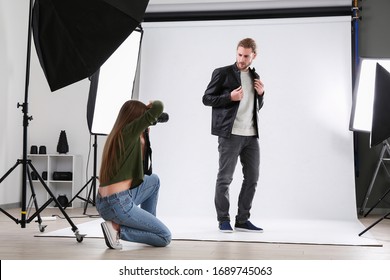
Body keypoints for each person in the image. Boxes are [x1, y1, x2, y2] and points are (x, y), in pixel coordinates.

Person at [202, 38, 265, 233]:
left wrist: (261, 94)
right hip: (230, 134)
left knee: (252, 178)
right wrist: (229, 97)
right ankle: (223, 219)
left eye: (246, 56)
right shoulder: (222, 73)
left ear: (254, 56)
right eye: (239, 54)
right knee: (225, 178)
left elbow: (255, 107)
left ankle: (242, 220)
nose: (241, 59)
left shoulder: (255, 77)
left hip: (251, 135)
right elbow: (207, 98)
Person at [96, 100, 171, 249]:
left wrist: (144, 140)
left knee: (154, 180)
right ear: (136, 117)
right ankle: (116, 230)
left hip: (105, 202)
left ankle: (148, 227)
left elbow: (140, 172)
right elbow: (159, 107)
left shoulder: (119, 135)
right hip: (118, 203)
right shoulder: (128, 132)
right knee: (164, 237)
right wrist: (150, 105)